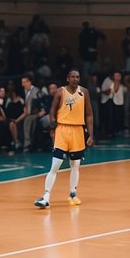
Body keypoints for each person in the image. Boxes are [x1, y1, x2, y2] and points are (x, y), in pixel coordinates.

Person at [33, 69, 94, 208]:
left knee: (75, 165)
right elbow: (52, 112)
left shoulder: (84, 92)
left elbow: (89, 115)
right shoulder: (60, 92)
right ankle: (46, 197)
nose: (75, 79)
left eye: (77, 77)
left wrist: (91, 134)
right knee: (56, 165)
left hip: (78, 130)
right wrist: (52, 128)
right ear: (67, 78)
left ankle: (73, 194)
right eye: (72, 77)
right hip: (62, 130)